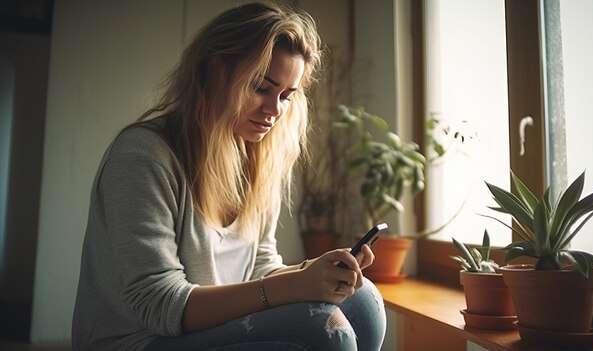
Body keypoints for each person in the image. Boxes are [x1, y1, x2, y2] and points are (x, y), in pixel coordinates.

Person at [71, 1, 387, 350]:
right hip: (143, 340)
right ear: (215, 70)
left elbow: (261, 270)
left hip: (208, 329)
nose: (275, 110)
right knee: (327, 330)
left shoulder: (257, 156)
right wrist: (296, 286)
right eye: (261, 87)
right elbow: (159, 304)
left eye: (286, 95)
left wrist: (314, 272)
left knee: (364, 301)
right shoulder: (142, 156)